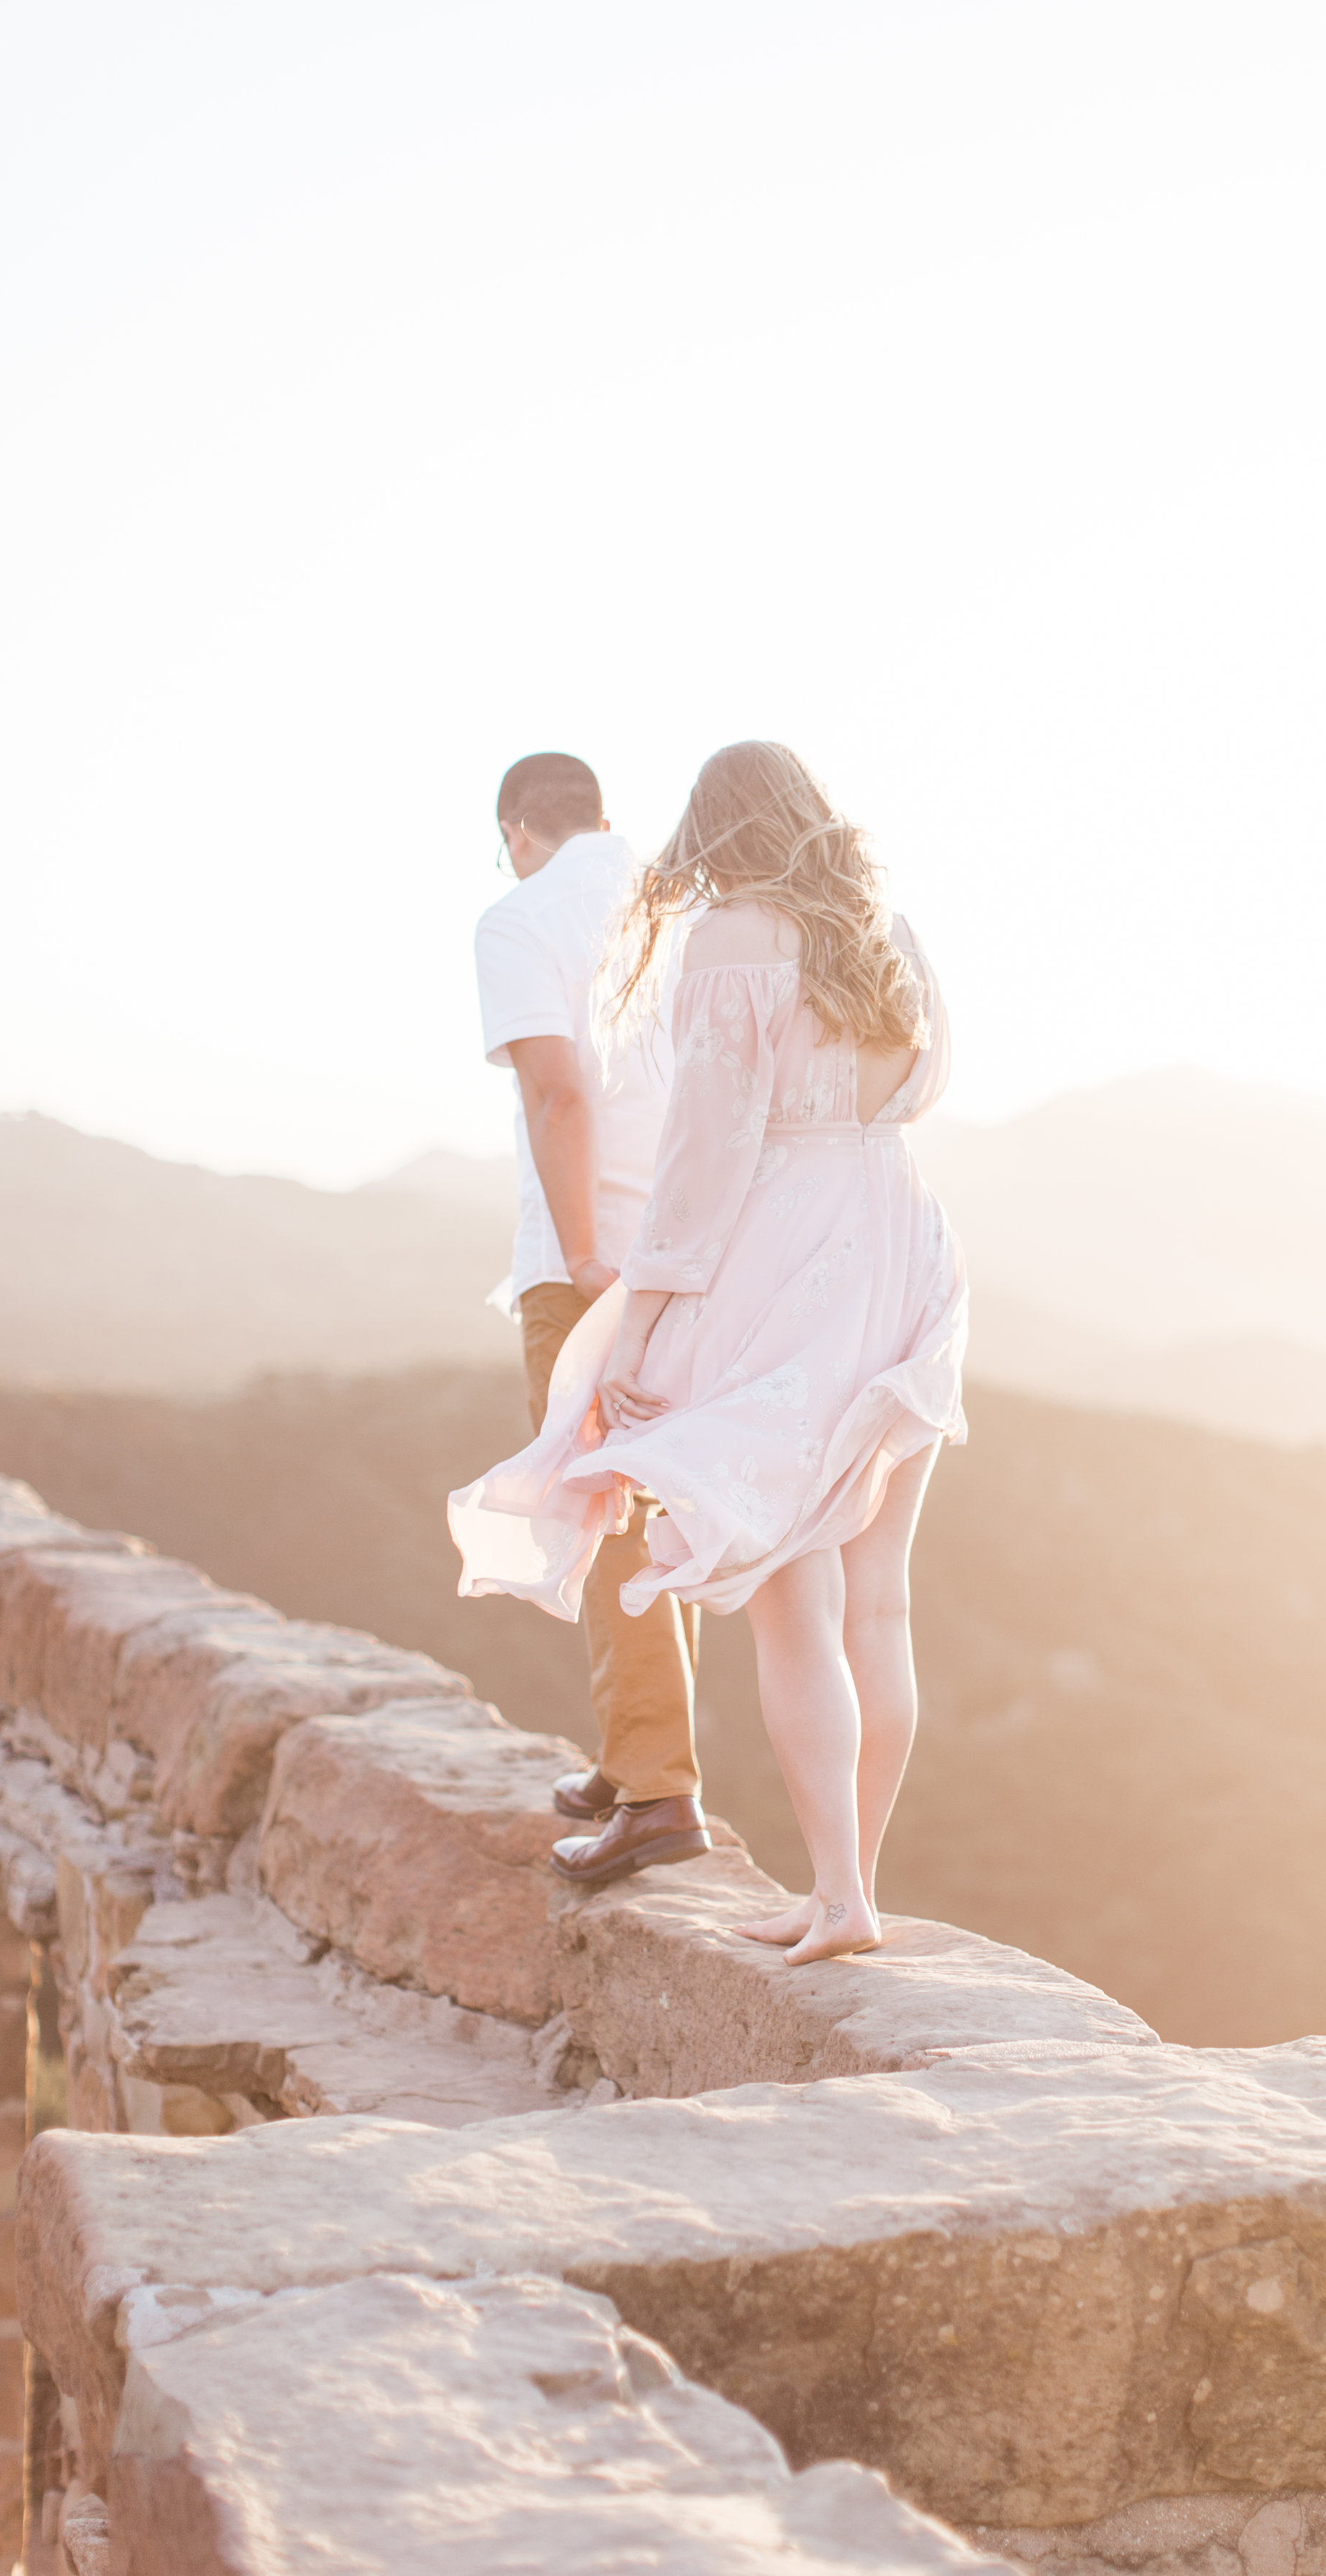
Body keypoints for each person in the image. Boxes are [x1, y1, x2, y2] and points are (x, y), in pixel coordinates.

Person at [450, 741, 967, 1963]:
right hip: (905, 1241)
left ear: (714, 831)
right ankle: (854, 1889)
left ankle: (839, 1895)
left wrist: (644, 1311)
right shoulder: (884, 929)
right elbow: (925, 1083)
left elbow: (708, 1150)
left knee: (795, 1600)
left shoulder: (734, 936)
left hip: (791, 1262)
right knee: (879, 1602)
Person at [472, 750, 705, 1874]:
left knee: (599, 1500)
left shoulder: (520, 917)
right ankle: (637, 1756)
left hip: (593, 1260)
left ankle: (659, 1794)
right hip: (694, 1255)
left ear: (521, 828)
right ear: (602, 817)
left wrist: (579, 1256)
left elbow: (557, 1088)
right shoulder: (678, 902)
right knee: (654, 1503)